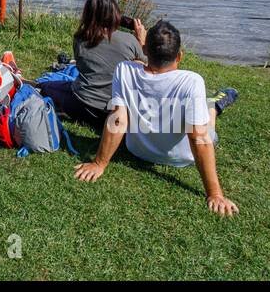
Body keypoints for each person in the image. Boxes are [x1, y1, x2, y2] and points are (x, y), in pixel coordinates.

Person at [73, 19, 241, 217]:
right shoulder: (192, 81)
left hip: (138, 151)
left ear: (144, 49)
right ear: (179, 56)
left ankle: (210, 104)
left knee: (199, 114)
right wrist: (214, 194)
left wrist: (99, 164)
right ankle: (214, 105)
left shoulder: (124, 70)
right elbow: (200, 137)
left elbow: (118, 120)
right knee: (207, 122)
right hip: (183, 158)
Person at [37, 0, 145, 133]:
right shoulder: (130, 40)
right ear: (115, 15)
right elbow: (149, 69)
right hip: (113, 111)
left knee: (45, 86)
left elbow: (82, 66)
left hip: (80, 103)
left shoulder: (80, 38)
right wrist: (141, 42)